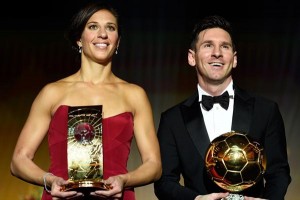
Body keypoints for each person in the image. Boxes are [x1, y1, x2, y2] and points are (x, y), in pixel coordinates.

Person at [10, 1, 161, 200]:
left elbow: (154, 165)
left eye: (110, 27)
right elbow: (18, 160)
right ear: (78, 39)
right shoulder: (53, 92)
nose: (103, 34)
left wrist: (125, 180)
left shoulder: (134, 95)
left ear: (118, 41)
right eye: (93, 27)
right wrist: (49, 180)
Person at [154, 15, 291, 200]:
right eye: (208, 45)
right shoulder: (172, 119)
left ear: (234, 59)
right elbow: (164, 183)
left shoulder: (265, 110)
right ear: (191, 57)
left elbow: (279, 173)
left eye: (224, 46)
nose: (217, 53)